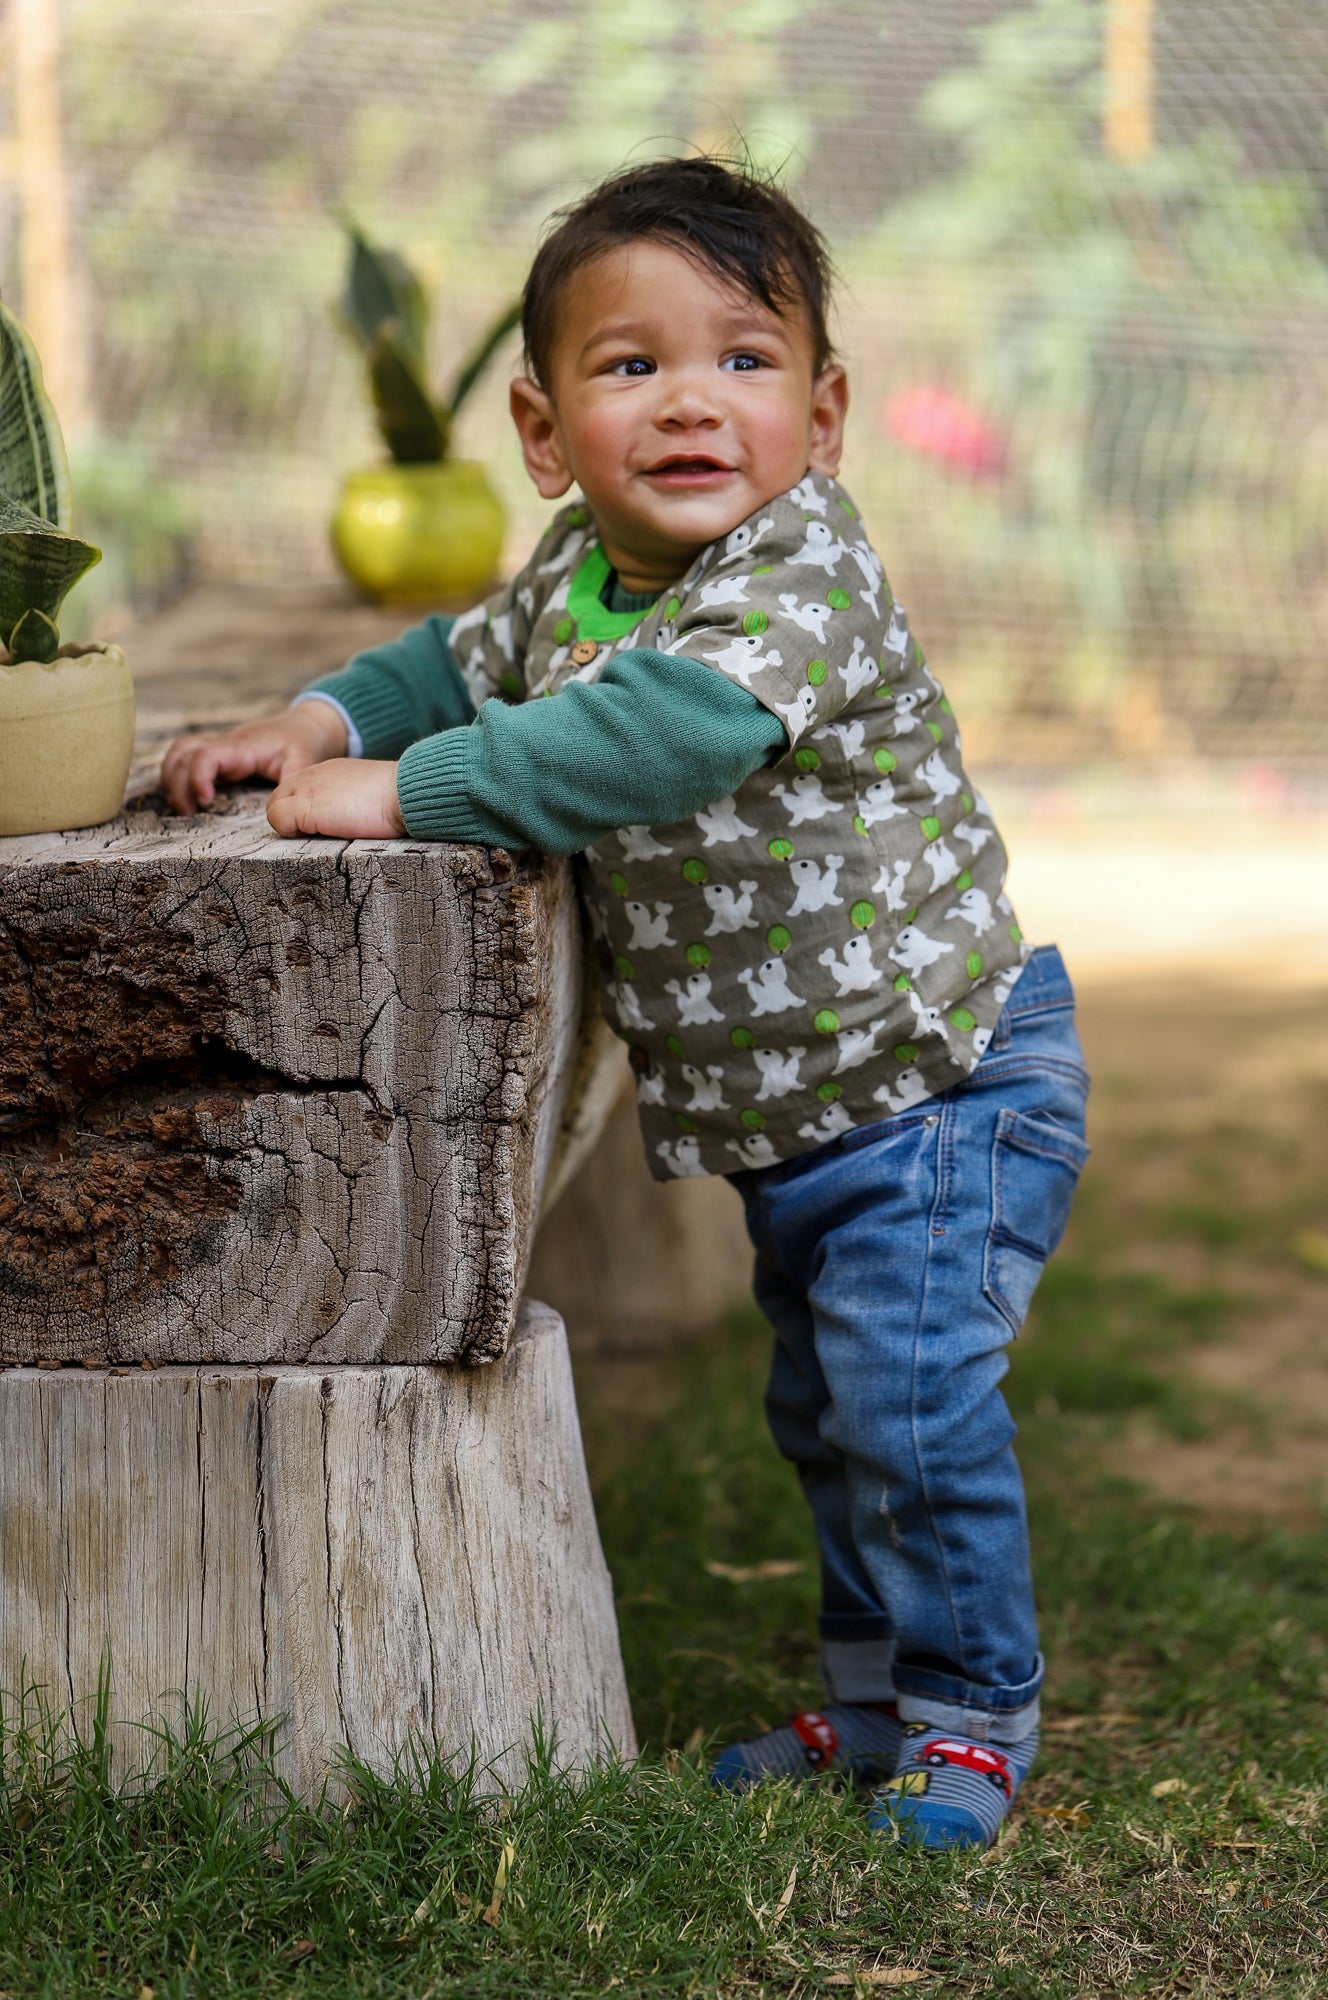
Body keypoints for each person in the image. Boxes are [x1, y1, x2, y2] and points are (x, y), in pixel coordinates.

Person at [161, 155, 1089, 1851]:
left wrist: (411, 790)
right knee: (830, 1411)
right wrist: (317, 725)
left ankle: (975, 1720)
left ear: (825, 416)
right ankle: (879, 1711)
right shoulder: (583, 572)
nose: (690, 402)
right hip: (810, 1121)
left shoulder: (799, 580)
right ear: (541, 430)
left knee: (906, 1400)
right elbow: (452, 659)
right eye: (630, 364)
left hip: (941, 1080)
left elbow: (656, 735)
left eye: (743, 359)